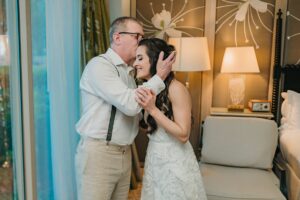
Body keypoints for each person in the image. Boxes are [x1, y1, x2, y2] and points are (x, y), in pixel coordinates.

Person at [75, 17, 175, 200]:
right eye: (137, 36)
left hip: (125, 153)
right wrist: (159, 77)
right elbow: (130, 105)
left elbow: (136, 111)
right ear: (118, 37)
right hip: (100, 154)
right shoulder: (100, 66)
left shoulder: (130, 73)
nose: (141, 41)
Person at [134, 38, 207, 200]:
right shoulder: (150, 89)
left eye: (140, 58)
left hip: (175, 163)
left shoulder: (176, 89)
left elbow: (183, 135)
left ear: (155, 60)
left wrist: (152, 109)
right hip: (154, 159)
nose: (135, 64)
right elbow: (150, 128)